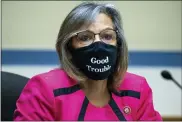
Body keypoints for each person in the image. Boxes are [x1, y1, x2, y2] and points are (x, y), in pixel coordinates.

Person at [13, 2, 162, 121]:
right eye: (85, 37)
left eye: (107, 36)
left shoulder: (136, 89)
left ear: (119, 44)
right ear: (68, 47)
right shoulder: (44, 88)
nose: (98, 45)